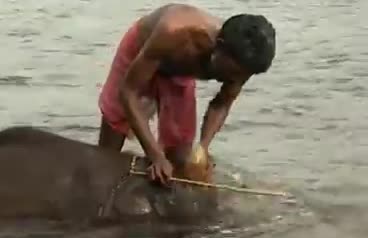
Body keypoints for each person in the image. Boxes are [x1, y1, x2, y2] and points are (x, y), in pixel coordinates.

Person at [97, 4, 276, 184]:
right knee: (114, 128)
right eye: (234, 73)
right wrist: (155, 155)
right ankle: (101, 177)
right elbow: (129, 93)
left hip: (179, 71)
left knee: (180, 152)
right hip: (142, 51)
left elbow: (222, 103)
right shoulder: (175, 32)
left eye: (244, 76)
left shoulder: (244, 64)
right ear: (218, 47)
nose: (236, 80)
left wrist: (204, 146)